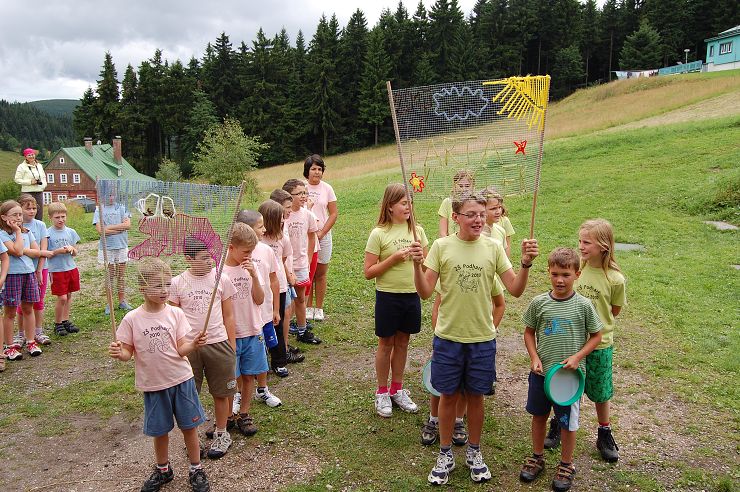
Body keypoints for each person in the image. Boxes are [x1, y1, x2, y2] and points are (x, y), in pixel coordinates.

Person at [410, 192, 539, 486]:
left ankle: (474, 451)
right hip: (448, 337)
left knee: (476, 396)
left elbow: (515, 289)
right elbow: (425, 292)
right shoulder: (441, 247)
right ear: (456, 217)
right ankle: (445, 454)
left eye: (481, 214)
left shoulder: (493, 247)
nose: (478, 219)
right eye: (471, 214)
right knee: (447, 395)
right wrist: (416, 266)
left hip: (482, 338)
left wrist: (525, 264)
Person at [108, 258, 211, 492]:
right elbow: (127, 353)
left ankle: (196, 468)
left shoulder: (175, 314)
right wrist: (119, 352)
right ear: (142, 288)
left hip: (181, 380)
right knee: (160, 430)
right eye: (157, 286)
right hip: (154, 385)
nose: (165, 290)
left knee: (189, 427)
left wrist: (194, 344)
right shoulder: (132, 319)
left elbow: (181, 349)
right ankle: (163, 469)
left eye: (167, 284)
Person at [519, 247, 602, 492]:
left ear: (577, 274)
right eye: (555, 274)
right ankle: (537, 457)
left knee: (567, 422)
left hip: (569, 379)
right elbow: (528, 332)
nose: (560, 280)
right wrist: (534, 357)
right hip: (541, 375)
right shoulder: (539, 303)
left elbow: (596, 336)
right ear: (548, 272)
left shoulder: (584, 306)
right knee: (538, 416)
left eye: (566, 274)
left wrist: (578, 357)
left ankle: (566, 464)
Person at [169, 236, 238, 460]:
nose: (210, 261)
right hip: (190, 347)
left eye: (211, 257)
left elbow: (229, 315)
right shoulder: (177, 283)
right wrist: (179, 346)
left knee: (221, 392)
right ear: (188, 259)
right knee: (190, 394)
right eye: (204, 258)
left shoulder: (221, 279)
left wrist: (231, 344)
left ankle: (222, 433)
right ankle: (193, 439)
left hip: (218, 343)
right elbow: (172, 318)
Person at [364, 183, 428, 418]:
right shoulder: (379, 233)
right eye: (403, 203)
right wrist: (392, 259)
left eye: (410, 202)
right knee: (386, 344)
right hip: (388, 296)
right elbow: (368, 272)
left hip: (411, 295)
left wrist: (420, 259)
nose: (408, 206)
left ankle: (397, 389)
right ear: (390, 206)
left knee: (403, 343)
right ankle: (382, 392)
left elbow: (427, 266)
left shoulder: (418, 231)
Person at [565, 219, 625, 462]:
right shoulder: (577, 270)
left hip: (600, 345)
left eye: (587, 242)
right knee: (568, 388)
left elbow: (614, 310)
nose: (581, 246)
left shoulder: (615, 279)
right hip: (572, 342)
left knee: (601, 391)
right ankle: (560, 423)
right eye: (580, 241)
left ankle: (604, 432)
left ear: (603, 246)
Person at [235, 210, 283, 407]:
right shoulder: (232, 254)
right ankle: (238, 393)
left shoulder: (266, 251)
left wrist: (275, 309)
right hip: (241, 318)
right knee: (238, 357)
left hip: (263, 314)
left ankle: (262, 389)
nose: (264, 230)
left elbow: (274, 280)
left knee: (262, 353)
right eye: (260, 226)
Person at [222, 223, 266, 436]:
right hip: (229, 335)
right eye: (246, 252)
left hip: (252, 330)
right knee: (230, 379)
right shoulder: (220, 271)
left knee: (249, 376)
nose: (250, 256)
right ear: (231, 248)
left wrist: (255, 276)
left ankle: (244, 413)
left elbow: (260, 299)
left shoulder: (251, 268)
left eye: (252, 252)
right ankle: (228, 415)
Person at [259, 199, 301, 375]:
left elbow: (282, 260)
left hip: (279, 286)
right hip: (261, 287)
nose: (284, 221)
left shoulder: (283, 239)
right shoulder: (258, 239)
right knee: (261, 324)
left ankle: (279, 360)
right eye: (280, 218)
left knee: (278, 321)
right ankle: (260, 363)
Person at [0, 200, 45, 360]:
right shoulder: (3, 235)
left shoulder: (28, 232)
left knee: (28, 308)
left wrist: (23, 242)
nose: (19, 217)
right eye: (15, 215)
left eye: (20, 214)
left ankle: (31, 341)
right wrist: (18, 232)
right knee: (10, 312)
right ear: (4, 217)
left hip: (29, 273)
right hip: (12, 275)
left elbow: (37, 252)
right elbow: (18, 251)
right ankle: (10, 346)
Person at [282, 179, 321, 345]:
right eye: (299, 193)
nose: (304, 196)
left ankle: (302, 330)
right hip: (285, 265)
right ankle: (282, 335)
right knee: (286, 302)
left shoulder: (308, 215)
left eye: (305, 192)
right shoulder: (283, 216)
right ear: (289, 196)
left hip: (301, 263)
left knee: (300, 298)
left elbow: (312, 237)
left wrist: (309, 258)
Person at [304, 154, 338, 322]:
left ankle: (319, 308)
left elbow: (333, 214)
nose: (317, 172)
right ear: (307, 171)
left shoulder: (327, 188)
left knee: (321, 273)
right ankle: (308, 306)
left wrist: (322, 232)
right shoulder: (301, 187)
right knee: (308, 271)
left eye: (319, 169)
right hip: (306, 237)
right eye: (313, 169)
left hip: (323, 235)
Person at [15, 194, 52, 346]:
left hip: (40, 268)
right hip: (22, 270)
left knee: (38, 301)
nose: (31, 211)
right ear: (19, 209)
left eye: (34, 208)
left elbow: (43, 249)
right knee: (22, 303)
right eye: (27, 208)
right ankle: (21, 333)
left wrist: (39, 270)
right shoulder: (16, 227)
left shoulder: (40, 225)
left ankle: (38, 331)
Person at [93, 186, 133, 315]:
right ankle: (109, 303)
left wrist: (109, 228)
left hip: (121, 245)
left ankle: (122, 301)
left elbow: (128, 225)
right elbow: (100, 231)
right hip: (107, 247)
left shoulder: (122, 207)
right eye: (108, 195)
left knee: (121, 275)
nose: (111, 197)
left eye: (113, 195)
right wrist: (120, 228)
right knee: (110, 276)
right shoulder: (99, 209)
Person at [46, 202, 81, 337]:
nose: (60, 220)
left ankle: (65, 320)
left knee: (69, 295)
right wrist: (58, 251)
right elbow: (46, 253)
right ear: (50, 217)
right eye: (57, 217)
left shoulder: (71, 232)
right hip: (57, 270)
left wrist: (72, 249)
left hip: (70, 267)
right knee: (61, 297)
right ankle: (58, 323)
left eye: (63, 216)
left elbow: (75, 252)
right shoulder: (47, 234)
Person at [14, 149, 47, 221]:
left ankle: (39, 226)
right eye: (29, 155)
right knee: (26, 211)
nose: (31, 156)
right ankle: (24, 225)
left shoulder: (39, 165)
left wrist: (43, 186)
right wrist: (30, 182)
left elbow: (43, 177)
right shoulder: (21, 166)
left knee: (39, 212)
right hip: (27, 192)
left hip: (39, 191)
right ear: (25, 156)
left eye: (32, 154)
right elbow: (17, 179)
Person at [480, 187, 510, 257]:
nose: (498, 212)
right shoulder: (475, 233)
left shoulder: (501, 231)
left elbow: (504, 257)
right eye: (493, 208)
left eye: (499, 207)